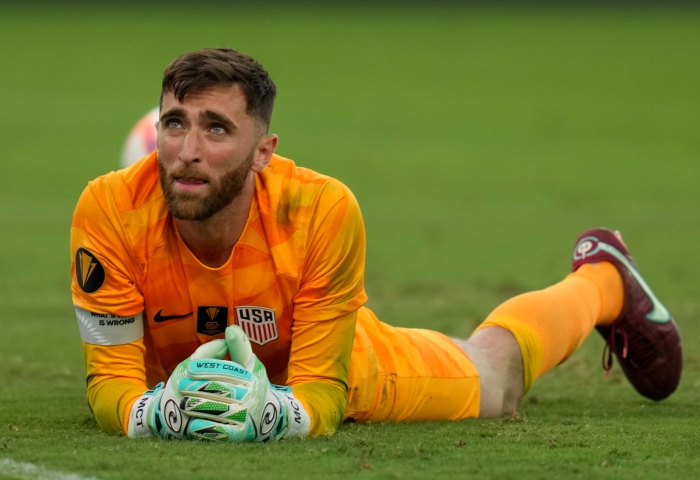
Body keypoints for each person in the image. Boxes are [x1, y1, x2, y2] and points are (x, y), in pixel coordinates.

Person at [71, 48, 682, 442]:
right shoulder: (108, 208)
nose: (188, 151)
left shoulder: (320, 211)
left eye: (217, 128)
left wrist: (273, 415)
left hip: (331, 360)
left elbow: (320, 395)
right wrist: (158, 414)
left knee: (494, 379)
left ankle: (601, 279)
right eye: (174, 123)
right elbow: (110, 382)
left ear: (264, 151)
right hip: (182, 382)